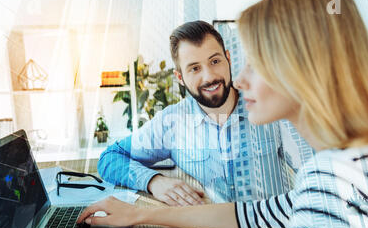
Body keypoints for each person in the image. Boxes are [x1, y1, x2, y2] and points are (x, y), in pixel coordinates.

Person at [78, 0, 368, 228]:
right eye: (195, 68)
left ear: (301, 69)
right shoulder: (356, 166)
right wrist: (143, 208)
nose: (240, 78)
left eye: (255, 63)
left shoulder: (335, 179)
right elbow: (250, 215)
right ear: (180, 77)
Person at [98, 21, 287, 206]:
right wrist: (154, 181)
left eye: (215, 61)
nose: (209, 76)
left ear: (228, 59)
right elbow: (110, 157)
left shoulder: (271, 107)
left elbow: (313, 170)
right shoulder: (171, 122)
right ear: (179, 77)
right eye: (195, 68)